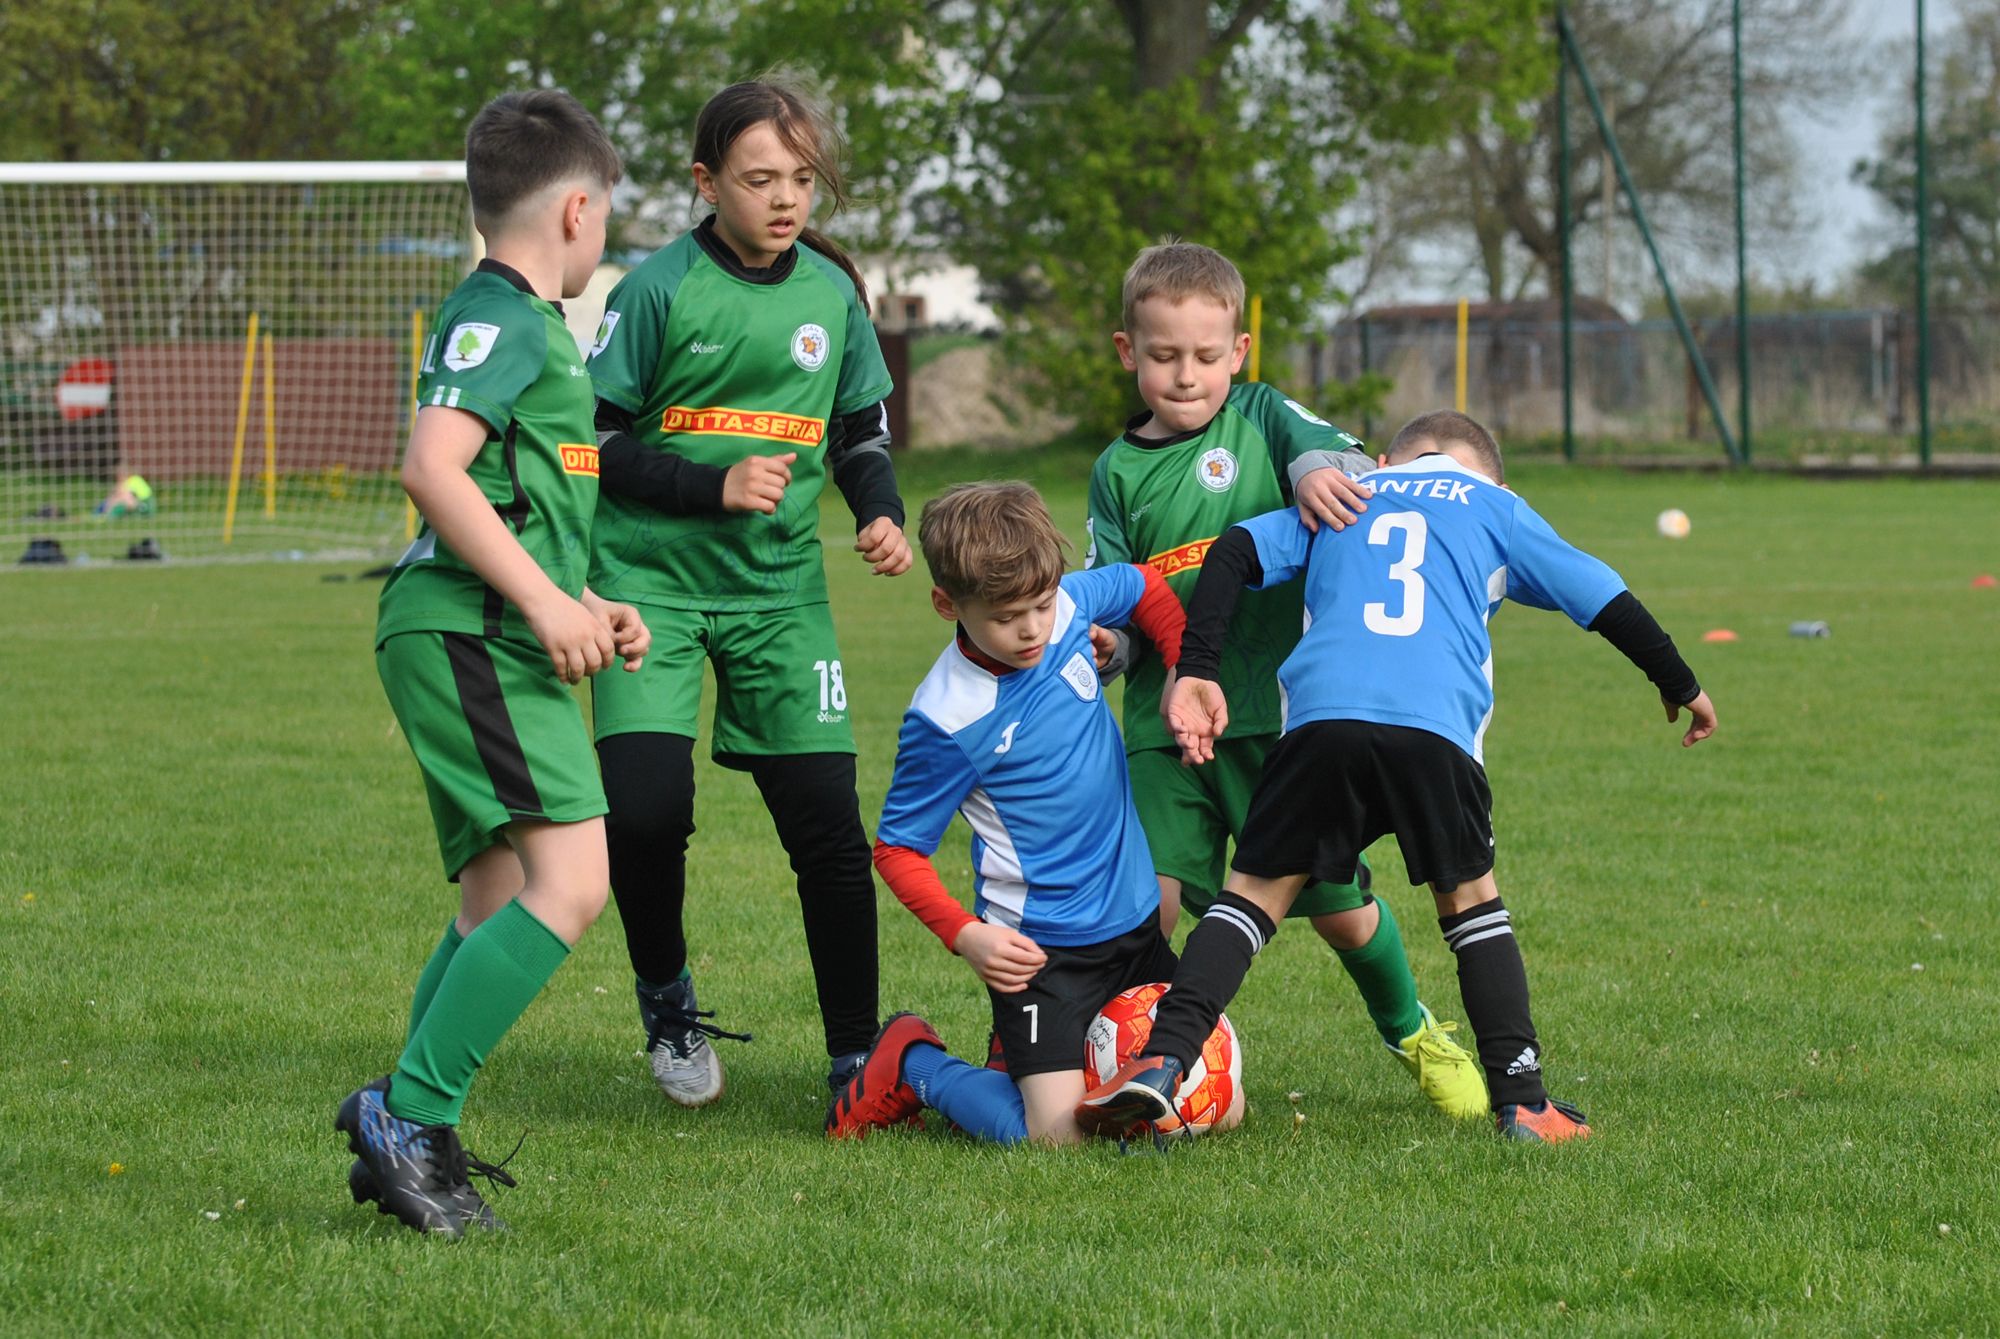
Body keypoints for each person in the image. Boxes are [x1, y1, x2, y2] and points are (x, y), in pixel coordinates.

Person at [1078, 410, 1719, 1143]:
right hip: (1432, 734)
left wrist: (1197, 668)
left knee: (1250, 898)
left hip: (1321, 726)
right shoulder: (1496, 506)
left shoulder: (1345, 492)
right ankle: (1524, 1100)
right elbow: (1601, 593)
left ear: (1386, 458)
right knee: (1470, 905)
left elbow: (1233, 552)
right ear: (1492, 477)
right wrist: (1680, 682)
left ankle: (1162, 1059)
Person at [336, 90, 650, 1236]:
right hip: (470, 627)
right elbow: (433, 468)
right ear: (576, 208)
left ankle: (408, 1121)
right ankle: (409, 1115)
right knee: (571, 885)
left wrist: (581, 600)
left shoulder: (511, 320)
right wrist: (533, 598)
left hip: (486, 622)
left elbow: (509, 496)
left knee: (500, 891)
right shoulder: (509, 318)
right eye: (606, 215)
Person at [1084, 242, 1485, 1119]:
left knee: (1342, 914)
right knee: (1146, 904)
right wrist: (1106, 643)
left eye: (1204, 355)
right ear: (1128, 352)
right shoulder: (1115, 471)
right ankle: (1154, 1065)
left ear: (1238, 351)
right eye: (1162, 356)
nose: (1184, 375)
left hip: (1284, 721)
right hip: (1162, 723)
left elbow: (1336, 453)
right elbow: (1111, 587)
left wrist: (1315, 469)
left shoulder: (1263, 415)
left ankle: (1413, 1029)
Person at [584, 75, 910, 1107]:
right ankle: (666, 1000)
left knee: (825, 829)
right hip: (649, 588)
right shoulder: (653, 290)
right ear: (704, 182)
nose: (785, 199)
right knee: (643, 814)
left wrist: (877, 509)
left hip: (780, 596)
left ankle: (854, 1056)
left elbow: (858, 432)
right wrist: (707, 485)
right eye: (760, 178)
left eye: (801, 180)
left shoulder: (829, 294)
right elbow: (590, 442)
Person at [827, 482, 1198, 1146]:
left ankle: (1018, 1055)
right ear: (948, 604)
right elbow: (897, 850)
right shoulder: (945, 717)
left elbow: (1145, 584)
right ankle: (914, 1063)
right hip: (1040, 952)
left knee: (1197, 1107)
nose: (1032, 628)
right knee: (1058, 1137)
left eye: (1042, 605)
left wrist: (1182, 667)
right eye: (1006, 616)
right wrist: (969, 937)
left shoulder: (1068, 606)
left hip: (1135, 920)